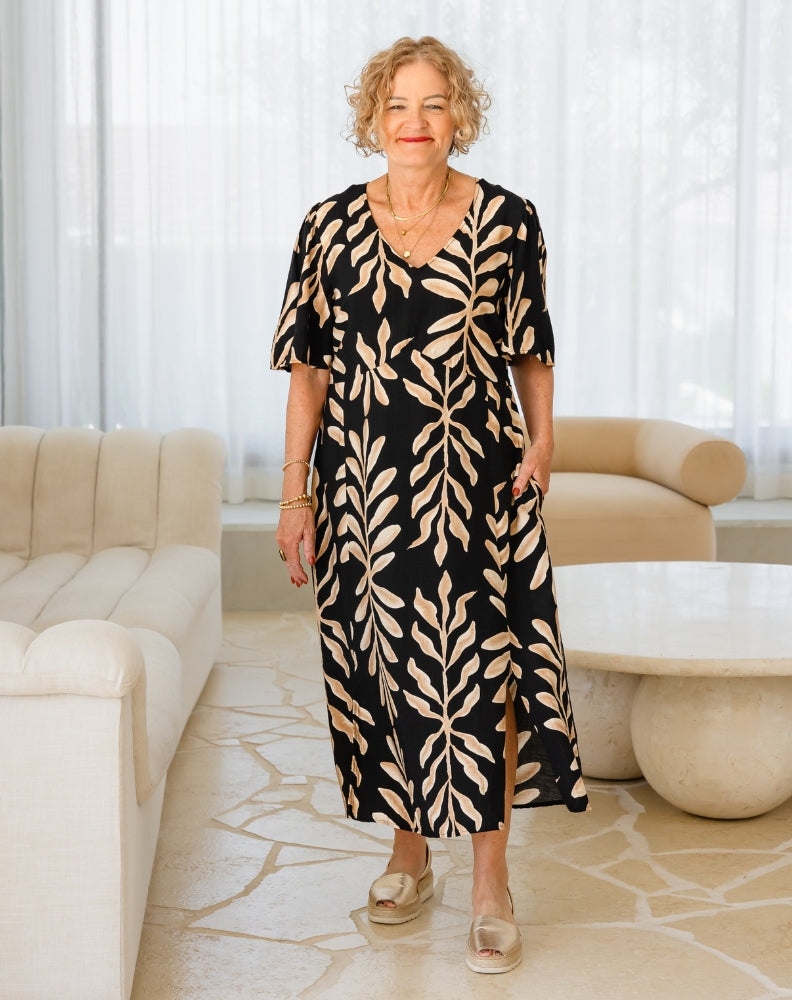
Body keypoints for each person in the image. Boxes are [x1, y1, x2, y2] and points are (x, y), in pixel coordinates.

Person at [271, 35, 588, 975]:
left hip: (476, 479)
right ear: (372, 119)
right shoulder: (327, 227)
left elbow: (531, 344)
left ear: (462, 116)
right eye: (397, 105)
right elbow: (308, 370)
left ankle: (490, 881)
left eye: (434, 104)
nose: (416, 122)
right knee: (386, 667)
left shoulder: (506, 221)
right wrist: (297, 492)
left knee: (481, 670)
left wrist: (544, 437)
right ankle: (411, 851)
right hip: (365, 483)